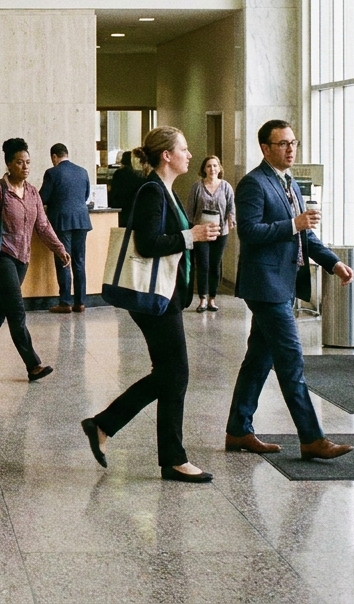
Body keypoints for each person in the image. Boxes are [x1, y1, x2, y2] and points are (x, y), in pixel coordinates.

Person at [81, 127, 219, 483]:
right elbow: (147, 243)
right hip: (154, 298)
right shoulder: (152, 192)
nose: (190, 155)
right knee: (176, 373)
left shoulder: (165, 191)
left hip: (165, 294)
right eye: (184, 149)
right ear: (166, 156)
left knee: (170, 374)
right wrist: (192, 236)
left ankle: (105, 425)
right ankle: (170, 457)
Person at [224, 120, 354, 461]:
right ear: (266, 148)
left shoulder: (289, 183)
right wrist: (292, 224)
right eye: (283, 144)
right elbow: (250, 232)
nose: (291, 149)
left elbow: (305, 236)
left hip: (284, 282)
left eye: (293, 143)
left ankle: (238, 430)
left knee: (258, 359)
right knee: (291, 360)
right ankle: (312, 438)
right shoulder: (254, 183)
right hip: (264, 285)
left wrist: (332, 262)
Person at [0, 138, 70, 381]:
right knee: (16, 311)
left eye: (28, 162)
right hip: (3, 258)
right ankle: (33, 365)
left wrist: (59, 248)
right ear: (9, 164)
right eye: (19, 162)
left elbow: (43, 226)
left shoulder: (33, 192)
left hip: (22, 259)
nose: (25, 167)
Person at [40, 143, 92, 314]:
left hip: (62, 221)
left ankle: (64, 302)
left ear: (54, 157)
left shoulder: (52, 173)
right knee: (79, 261)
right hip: (81, 220)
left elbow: (42, 198)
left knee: (64, 260)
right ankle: (80, 302)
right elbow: (85, 196)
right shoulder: (82, 171)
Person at [187, 155, 236, 313]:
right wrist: (191, 229)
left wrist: (231, 220)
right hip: (201, 232)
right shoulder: (197, 187)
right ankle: (202, 299)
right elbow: (190, 210)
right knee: (203, 264)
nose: (212, 169)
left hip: (220, 232)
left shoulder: (226, 187)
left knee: (215, 265)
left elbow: (231, 207)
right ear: (204, 169)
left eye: (215, 166)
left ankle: (212, 299)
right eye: (209, 166)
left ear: (219, 168)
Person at [108, 150, 150, 228]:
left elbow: (114, 192)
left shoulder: (119, 173)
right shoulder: (141, 176)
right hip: (135, 211)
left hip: (122, 209)